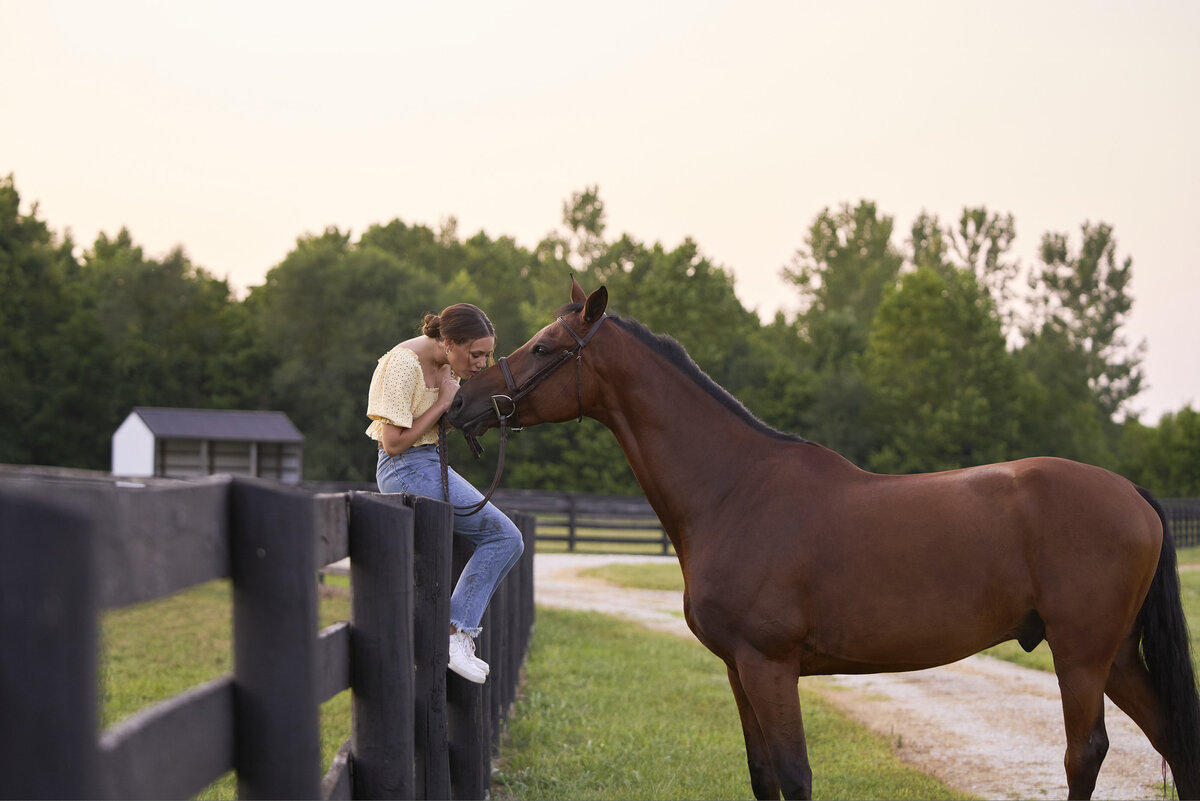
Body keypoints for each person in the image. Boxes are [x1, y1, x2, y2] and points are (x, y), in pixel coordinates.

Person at [365, 303, 525, 684]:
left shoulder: (447, 366)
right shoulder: (404, 364)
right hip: (403, 468)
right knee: (503, 536)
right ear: (449, 342)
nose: (482, 363)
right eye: (476, 354)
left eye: (486, 354)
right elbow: (392, 443)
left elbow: (442, 422)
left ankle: (456, 634)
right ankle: (455, 634)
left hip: (428, 462)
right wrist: (442, 402)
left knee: (506, 538)